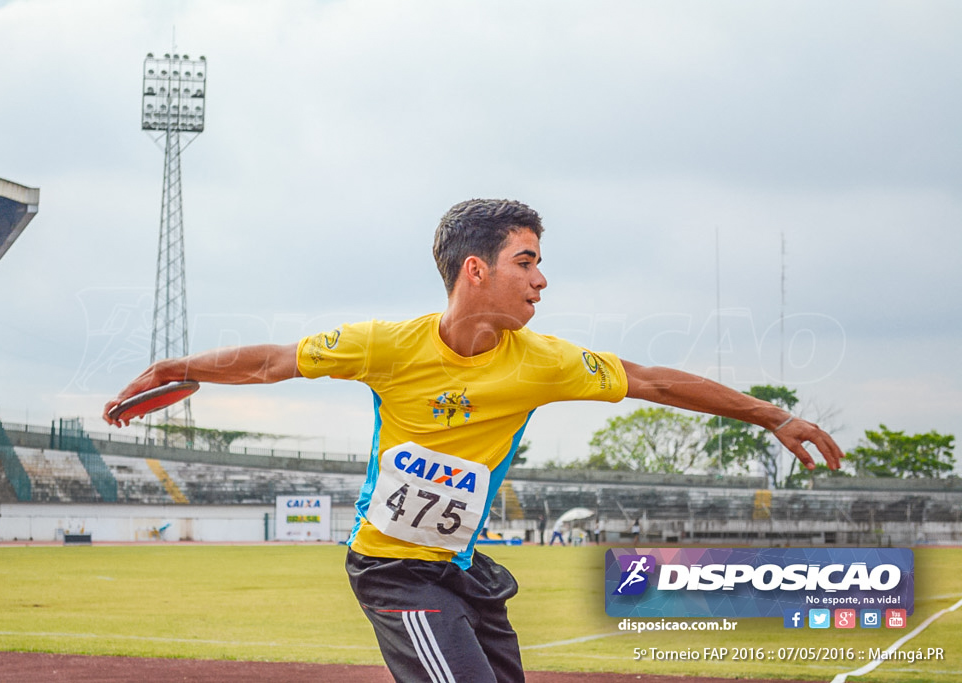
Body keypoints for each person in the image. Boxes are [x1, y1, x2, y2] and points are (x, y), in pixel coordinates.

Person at [104, 198, 844, 683]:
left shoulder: (545, 361)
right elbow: (271, 361)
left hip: (460, 570)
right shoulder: (384, 346)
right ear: (475, 269)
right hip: (394, 571)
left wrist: (771, 415)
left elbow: (650, 380)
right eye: (528, 261)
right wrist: (180, 366)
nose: (543, 280)